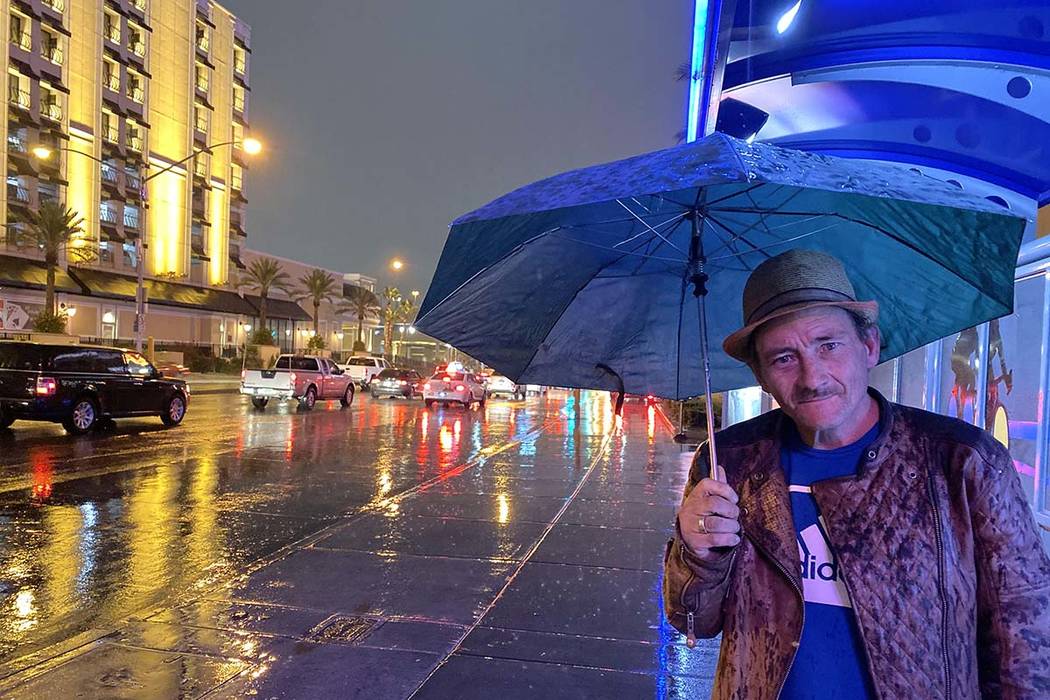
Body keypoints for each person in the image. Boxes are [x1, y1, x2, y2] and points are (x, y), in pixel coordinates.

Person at [663, 249, 1050, 699]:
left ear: (869, 346)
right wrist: (696, 552)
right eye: (784, 358)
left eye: (828, 345)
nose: (812, 376)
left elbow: (1026, 642)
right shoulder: (730, 462)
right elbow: (694, 620)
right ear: (761, 375)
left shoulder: (962, 463)